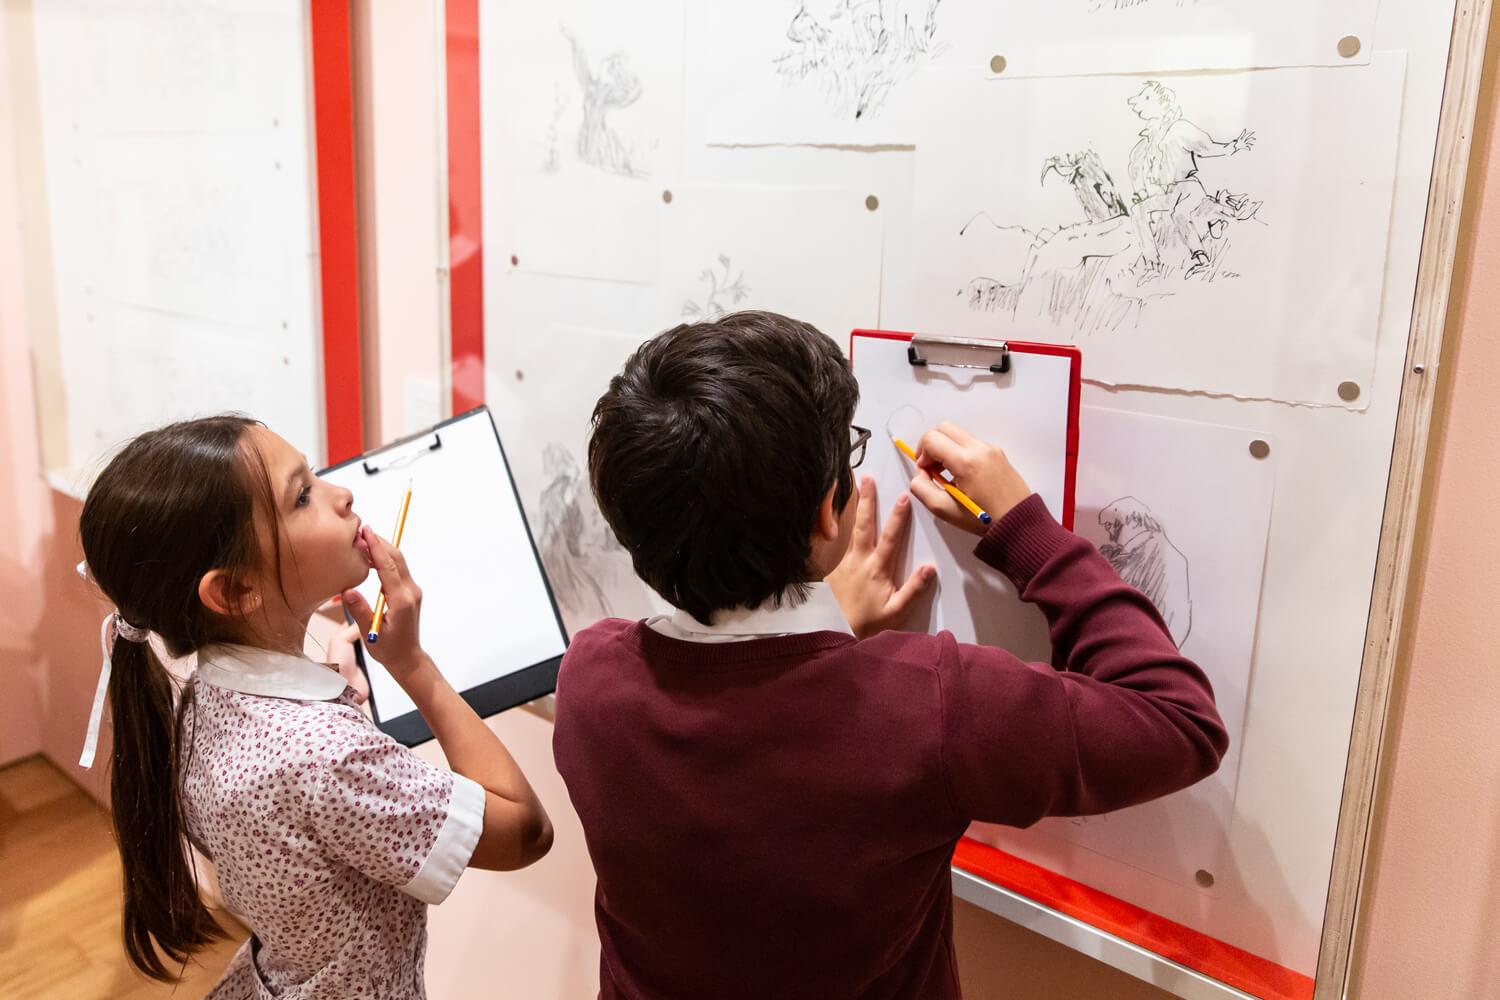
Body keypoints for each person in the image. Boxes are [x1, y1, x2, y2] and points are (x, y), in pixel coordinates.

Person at [553, 310, 1229, 999]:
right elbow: (1179, 721)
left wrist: (841, 638)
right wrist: (1026, 529)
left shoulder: (590, 679)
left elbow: (749, 777)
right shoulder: (926, 706)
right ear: (826, 515)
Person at [76, 415, 552, 997]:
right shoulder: (325, 755)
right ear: (233, 591)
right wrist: (411, 667)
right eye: (302, 496)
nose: (342, 492)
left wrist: (335, 692)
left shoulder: (201, 698)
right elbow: (527, 832)